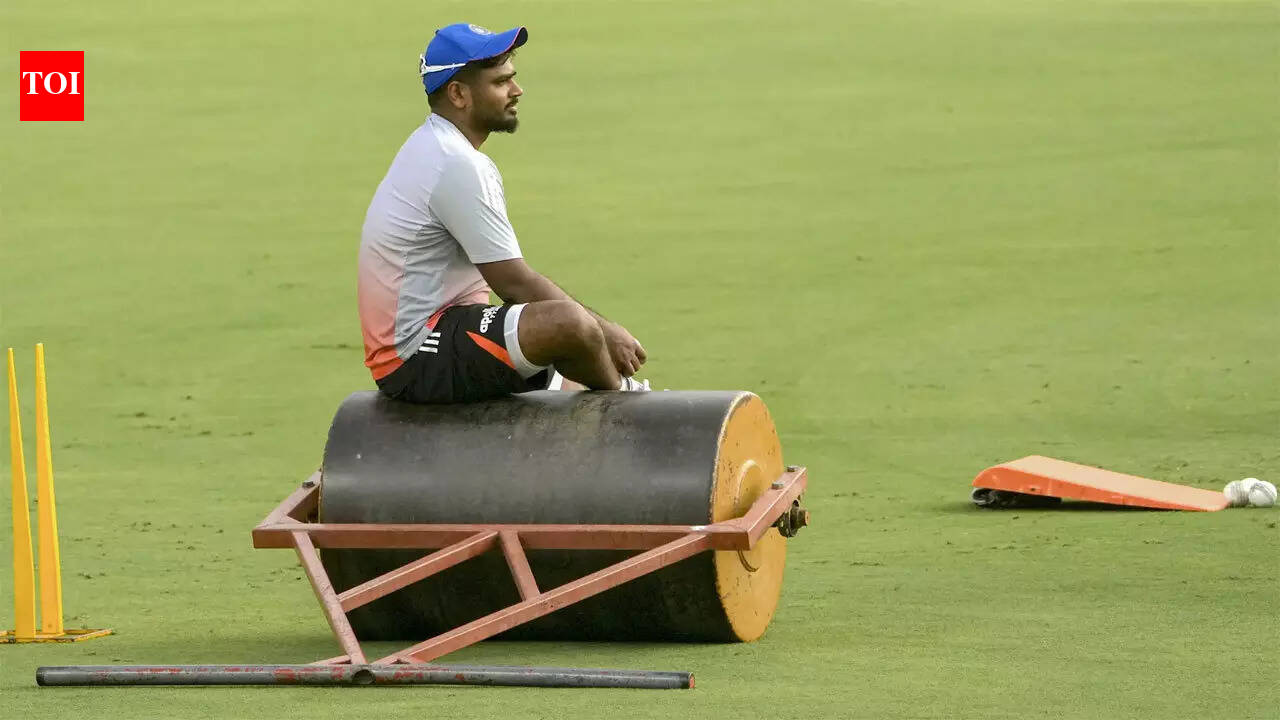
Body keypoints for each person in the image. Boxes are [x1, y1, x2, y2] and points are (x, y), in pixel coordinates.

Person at [358, 23, 650, 403]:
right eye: (501, 82)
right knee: (569, 325)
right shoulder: (454, 163)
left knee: (566, 360)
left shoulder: (435, 146)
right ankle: (628, 405)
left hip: (443, 332)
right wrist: (604, 332)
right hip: (416, 355)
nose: (517, 90)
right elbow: (514, 284)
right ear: (459, 94)